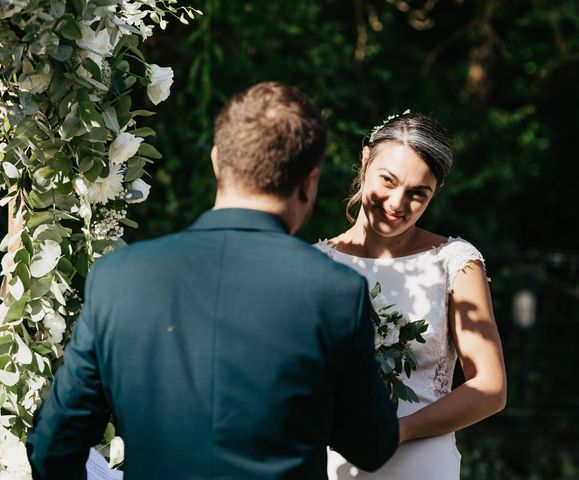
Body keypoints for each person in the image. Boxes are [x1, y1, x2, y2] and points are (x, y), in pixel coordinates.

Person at [27, 82, 399, 479]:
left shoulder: (119, 278)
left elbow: (54, 448)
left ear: (217, 161)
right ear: (309, 182)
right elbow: (373, 446)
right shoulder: (336, 291)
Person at [318, 111, 507, 479]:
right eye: (388, 181)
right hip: (333, 463)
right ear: (365, 159)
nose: (396, 203)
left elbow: (491, 386)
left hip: (422, 463)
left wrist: (398, 431)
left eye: (418, 194)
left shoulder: (455, 262)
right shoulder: (315, 263)